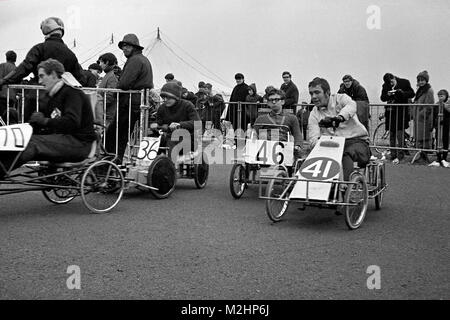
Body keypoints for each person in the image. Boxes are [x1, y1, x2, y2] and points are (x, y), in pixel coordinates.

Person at [0, 59, 96, 179]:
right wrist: (33, 124)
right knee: (22, 140)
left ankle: (2, 170)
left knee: (32, 144)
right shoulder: (52, 96)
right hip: (65, 140)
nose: (40, 81)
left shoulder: (72, 93)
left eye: (42, 76)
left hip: (80, 143)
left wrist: (45, 121)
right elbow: (44, 125)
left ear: (54, 75)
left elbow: (72, 122)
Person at [0, 17, 84, 121]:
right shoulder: (70, 54)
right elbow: (81, 78)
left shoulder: (39, 48)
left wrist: (4, 80)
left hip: (36, 98)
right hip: (60, 102)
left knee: (28, 127)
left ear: (45, 30)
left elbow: (24, 68)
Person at [308, 77, 370, 181]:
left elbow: (352, 105)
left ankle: (344, 186)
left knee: (344, 153)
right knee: (313, 157)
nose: (313, 97)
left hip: (355, 140)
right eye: (311, 93)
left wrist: (339, 118)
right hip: (332, 145)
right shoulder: (314, 113)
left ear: (327, 93)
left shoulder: (340, 98)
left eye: (317, 92)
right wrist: (319, 146)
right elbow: (313, 138)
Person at [104, 33, 153, 163]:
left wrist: (117, 88)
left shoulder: (135, 60)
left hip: (130, 103)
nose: (124, 48)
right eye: (123, 46)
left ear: (135, 47)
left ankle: (110, 164)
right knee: (121, 136)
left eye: (127, 46)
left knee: (113, 136)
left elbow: (124, 84)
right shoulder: (142, 59)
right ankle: (115, 163)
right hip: (135, 103)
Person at [150, 82, 200, 160]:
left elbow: (197, 123)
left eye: (168, 97)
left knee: (172, 140)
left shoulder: (187, 105)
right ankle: (149, 164)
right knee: (151, 140)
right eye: (163, 97)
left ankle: (171, 168)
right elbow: (159, 124)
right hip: (168, 136)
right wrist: (155, 127)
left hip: (187, 137)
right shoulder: (162, 108)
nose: (165, 100)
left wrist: (179, 125)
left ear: (176, 97)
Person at [253, 87, 303, 159]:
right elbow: (254, 136)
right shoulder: (261, 119)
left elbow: (297, 134)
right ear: (268, 103)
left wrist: (297, 146)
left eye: (276, 100)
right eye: (271, 100)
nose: (273, 102)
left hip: (285, 152)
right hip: (265, 152)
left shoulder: (292, 118)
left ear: (282, 101)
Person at [380, 73, 415, 164]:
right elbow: (382, 98)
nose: (390, 84)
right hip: (390, 112)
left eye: (391, 82)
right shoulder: (385, 85)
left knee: (400, 135)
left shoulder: (404, 82)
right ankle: (393, 154)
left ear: (393, 78)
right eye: (389, 83)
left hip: (401, 113)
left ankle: (400, 155)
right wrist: (388, 94)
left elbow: (412, 93)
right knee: (391, 135)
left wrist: (402, 93)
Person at [412, 71, 435, 164]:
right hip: (418, 118)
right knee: (420, 138)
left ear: (426, 80)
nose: (421, 82)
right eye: (419, 80)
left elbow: (429, 105)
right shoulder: (420, 91)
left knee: (424, 137)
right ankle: (422, 156)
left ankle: (424, 157)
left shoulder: (429, 90)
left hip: (424, 118)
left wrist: (421, 115)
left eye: (422, 80)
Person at [95, 53, 118, 129]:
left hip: (107, 114)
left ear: (107, 62)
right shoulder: (108, 75)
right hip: (104, 113)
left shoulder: (111, 77)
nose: (100, 65)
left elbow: (110, 96)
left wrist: (98, 104)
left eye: (101, 62)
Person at [433, 89, 450, 167]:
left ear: (446, 96)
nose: (440, 98)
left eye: (442, 96)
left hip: (446, 126)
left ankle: (444, 158)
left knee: (445, 141)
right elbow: (434, 115)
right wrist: (433, 125)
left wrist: (445, 121)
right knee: (438, 142)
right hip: (438, 126)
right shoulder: (437, 105)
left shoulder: (448, 104)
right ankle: (438, 158)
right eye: (439, 96)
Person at [0, 51, 17, 123]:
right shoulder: (16, 69)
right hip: (11, 96)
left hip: (1, 94)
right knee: (9, 116)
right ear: (15, 59)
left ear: (6, 57)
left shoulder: (1, 66)